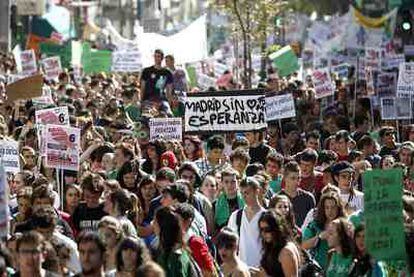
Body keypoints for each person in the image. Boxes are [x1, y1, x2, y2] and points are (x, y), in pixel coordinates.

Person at [227, 177, 266, 267]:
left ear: (257, 191)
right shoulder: (235, 216)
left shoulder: (267, 216)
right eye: (241, 193)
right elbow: (229, 244)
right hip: (241, 270)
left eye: (247, 193)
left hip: (262, 270)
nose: (244, 197)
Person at [302, 192, 346, 269]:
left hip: (339, 268)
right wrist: (319, 237)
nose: (330, 211)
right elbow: (303, 245)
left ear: (338, 208)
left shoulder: (345, 224)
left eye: (333, 207)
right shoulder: (314, 225)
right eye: (327, 207)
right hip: (318, 269)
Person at [253, 210, 302, 276]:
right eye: (261, 229)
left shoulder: (286, 252)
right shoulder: (273, 245)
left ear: (277, 228)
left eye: (267, 229)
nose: (263, 233)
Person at [174, 203, 216, 276]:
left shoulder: (195, 242)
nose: (174, 224)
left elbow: (209, 272)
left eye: (177, 220)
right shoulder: (177, 241)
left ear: (188, 222)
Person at [152, 206, 195, 277]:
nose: (152, 224)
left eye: (155, 221)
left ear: (163, 227)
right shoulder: (177, 252)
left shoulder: (175, 258)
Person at [278, 161, 315, 227]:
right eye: (293, 178)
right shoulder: (276, 199)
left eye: (299, 178)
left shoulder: (308, 198)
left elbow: (313, 223)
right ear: (284, 178)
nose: (297, 182)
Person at [140, 49, 173, 116]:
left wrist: (169, 104)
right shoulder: (146, 71)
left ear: (162, 58)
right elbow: (142, 87)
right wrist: (141, 101)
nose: (156, 58)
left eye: (158, 56)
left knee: (169, 115)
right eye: (155, 56)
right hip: (148, 99)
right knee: (147, 116)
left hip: (161, 100)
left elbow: (169, 90)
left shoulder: (167, 73)